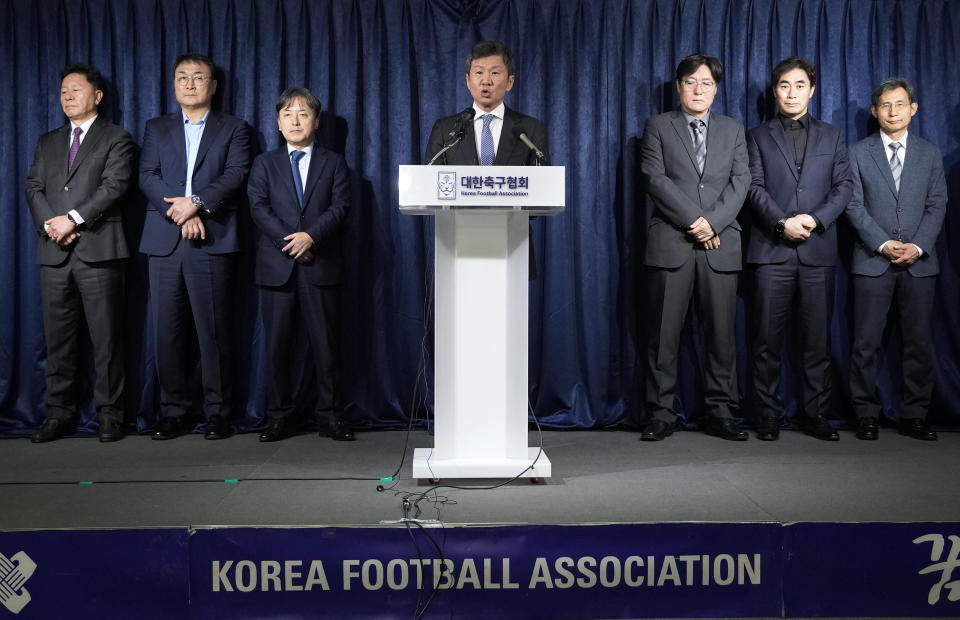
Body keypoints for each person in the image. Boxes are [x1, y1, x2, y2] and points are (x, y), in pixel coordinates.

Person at [139, 53, 252, 440]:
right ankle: (173, 411)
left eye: (198, 77)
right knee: (167, 332)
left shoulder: (235, 128)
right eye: (182, 77)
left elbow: (237, 174)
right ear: (174, 84)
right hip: (165, 241)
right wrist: (180, 213)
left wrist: (198, 203)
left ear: (213, 86)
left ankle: (218, 411)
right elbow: (147, 175)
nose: (189, 83)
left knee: (214, 331)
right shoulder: (156, 127)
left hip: (212, 238)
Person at [638, 53, 750, 442]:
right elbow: (655, 178)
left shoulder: (734, 129)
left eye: (706, 82)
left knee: (722, 336)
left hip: (720, 246)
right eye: (691, 81)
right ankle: (661, 413)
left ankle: (721, 412)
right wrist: (696, 223)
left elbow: (741, 182)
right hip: (672, 242)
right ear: (679, 86)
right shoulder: (657, 126)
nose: (698, 88)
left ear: (716, 89)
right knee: (662, 336)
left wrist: (713, 223)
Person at [25, 64, 135, 443]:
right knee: (58, 341)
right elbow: (33, 187)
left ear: (97, 96)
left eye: (75, 89)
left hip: (99, 250)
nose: (67, 96)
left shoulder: (116, 137)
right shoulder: (47, 140)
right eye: (62, 91)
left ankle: (110, 415)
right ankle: (58, 414)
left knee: (107, 340)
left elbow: (114, 186)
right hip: (53, 252)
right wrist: (50, 226)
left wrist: (71, 220)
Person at [746, 56, 853, 441]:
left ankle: (817, 415)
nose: (791, 93)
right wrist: (781, 223)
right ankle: (767, 417)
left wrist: (815, 219)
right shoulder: (756, 135)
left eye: (799, 85)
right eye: (784, 86)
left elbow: (844, 187)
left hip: (818, 250)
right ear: (775, 91)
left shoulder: (834, 135)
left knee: (817, 343)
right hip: (770, 251)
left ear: (812, 89)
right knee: (765, 343)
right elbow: (753, 187)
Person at [247, 88, 353, 442]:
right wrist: (292, 243)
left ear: (316, 121)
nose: (295, 120)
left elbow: (339, 208)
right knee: (276, 349)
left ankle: (331, 416)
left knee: (327, 348)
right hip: (278, 269)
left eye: (303, 113)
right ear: (278, 123)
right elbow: (259, 208)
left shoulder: (334, 162)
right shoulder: (264, 163)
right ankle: (278, 416)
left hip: (321, 265)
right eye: (287, 114)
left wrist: (310, 238)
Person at [844, 78, 947, 441]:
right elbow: (853, 205)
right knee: (865, 342)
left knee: (918, 342)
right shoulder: (857, 152)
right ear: (874, 111)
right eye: (885, 105)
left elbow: (937, 205)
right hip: (872, 261)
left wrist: (917, 246)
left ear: (913, 109)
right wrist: (883, 243)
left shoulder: (931, 154)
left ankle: (915, 414)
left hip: (919, 264)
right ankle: (865, 413)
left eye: (900, 104)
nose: (892, 111)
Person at [424, 39, 550, 279]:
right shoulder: (446, 129)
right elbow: (429, 186)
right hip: (457, 244)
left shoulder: (529, 130)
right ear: (467, 80)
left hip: (513, 245)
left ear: (510, 81)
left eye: (495, 73)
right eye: (479, 72)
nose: (486, 81)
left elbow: (541, 191)